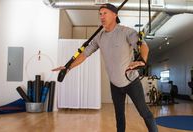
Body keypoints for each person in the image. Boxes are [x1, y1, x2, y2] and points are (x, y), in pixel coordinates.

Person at [52, 3, 158, 132]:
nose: (102, 16)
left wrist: (142, 60)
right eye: (100, 14)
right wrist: (68, 68)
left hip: (131, 82)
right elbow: (85, 54)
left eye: (105, 13)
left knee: (144, 113)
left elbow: (143, 46)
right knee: (119, 116)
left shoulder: (126, 32)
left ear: (115, 15)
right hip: (115, 84)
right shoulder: (99, 37)